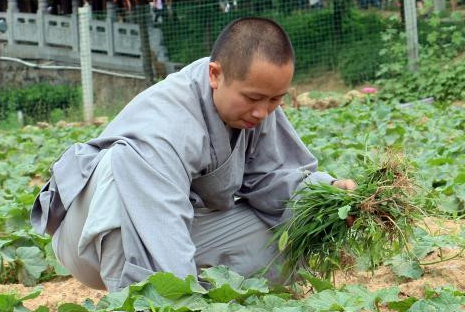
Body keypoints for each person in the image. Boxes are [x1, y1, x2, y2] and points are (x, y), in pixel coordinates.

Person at [30, 17, 356, 292]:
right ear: (215, 75)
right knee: (124, 162)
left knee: (276, 243)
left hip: (176, 224)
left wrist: (326, 195)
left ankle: (190, 292)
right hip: (91, 239)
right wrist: (182, 306)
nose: (262, 112)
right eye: (254, 98)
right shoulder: (167, 125)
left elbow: (276, 180)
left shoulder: (256, 108)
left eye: (275, 100)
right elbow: (160, 219)